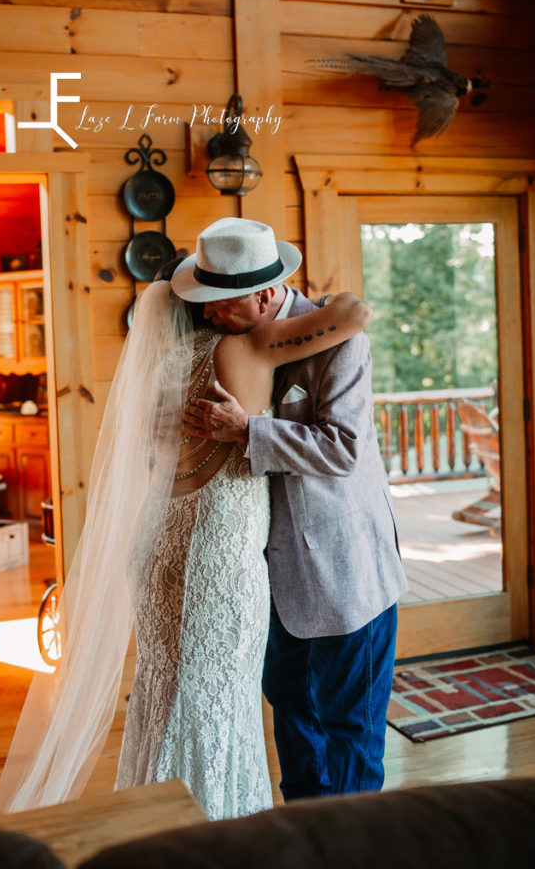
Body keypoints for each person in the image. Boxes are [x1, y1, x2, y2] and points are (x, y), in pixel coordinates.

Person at [0, 218, 371, 820]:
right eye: (206, 304)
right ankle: (213, 830)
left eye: (218, 301)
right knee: (217, 703)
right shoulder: (247, 346)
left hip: (160, 546)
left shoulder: (165, 371)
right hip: (217, 553)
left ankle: (154, 822)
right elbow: (352, 312)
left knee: (164, 697)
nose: (214, 312)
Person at [182, 218, 408, 801]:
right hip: (266, 575)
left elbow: (345, 449)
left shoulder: (341, 341)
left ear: (264, 294)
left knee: (350, 733)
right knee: (292, 719)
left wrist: (248, 429)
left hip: (344, 571)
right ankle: (306, 837)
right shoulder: (217, 342)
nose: (206, 315)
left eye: (219, 304)